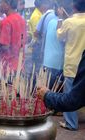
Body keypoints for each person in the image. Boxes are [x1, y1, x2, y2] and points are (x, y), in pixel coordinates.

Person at [55, 0, 85, 130]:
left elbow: (59, 36)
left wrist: (61, 19)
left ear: (73, 6)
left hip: (72, 64)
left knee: (70, 95)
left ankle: (71, 123)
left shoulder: (69, 22)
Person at [0, 0, 26, 71]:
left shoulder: (6, 22)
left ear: (8, 4)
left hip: (8, 66)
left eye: (1, 2)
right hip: (20, 64)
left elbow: (5, 46)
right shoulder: (21, 19)